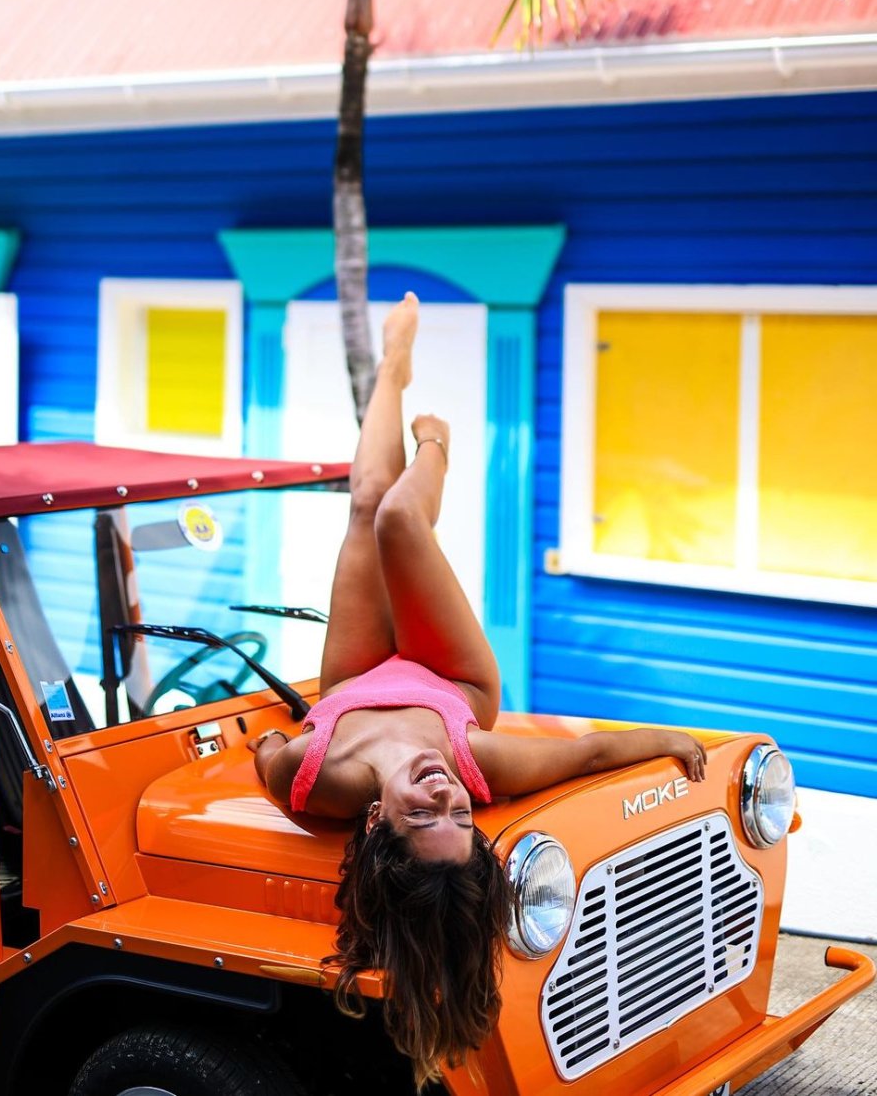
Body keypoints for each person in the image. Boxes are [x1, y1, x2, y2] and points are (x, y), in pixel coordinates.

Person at [250, 292, 707, 1090]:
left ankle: (393, 367)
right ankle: (437, 442)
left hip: (352, 681)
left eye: (424, 815)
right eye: (460, 816)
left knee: (366, 503)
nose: (444, 797)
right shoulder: (474, 762)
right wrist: (669, 737)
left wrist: (265, 746)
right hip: (448, 678)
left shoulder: (317, 781)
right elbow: (589, 753)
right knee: (400, 520)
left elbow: (266, 756)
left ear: (374, 821)